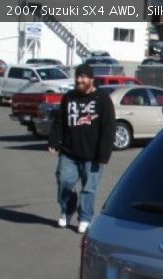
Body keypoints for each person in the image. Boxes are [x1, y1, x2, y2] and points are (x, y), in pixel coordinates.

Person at [48, 63, 115, 233]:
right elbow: (60, 121)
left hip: (93, 155)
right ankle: (66, 210)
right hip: (69, 152)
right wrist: (54, 141)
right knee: (64, 181)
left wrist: (104, 154)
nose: (79, 80)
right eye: (77, 76)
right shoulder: (69, 97)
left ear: (91, 79)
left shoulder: (103, 99)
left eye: (83, 77)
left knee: (89, 189)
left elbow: (108, 128)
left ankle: (85, 218)